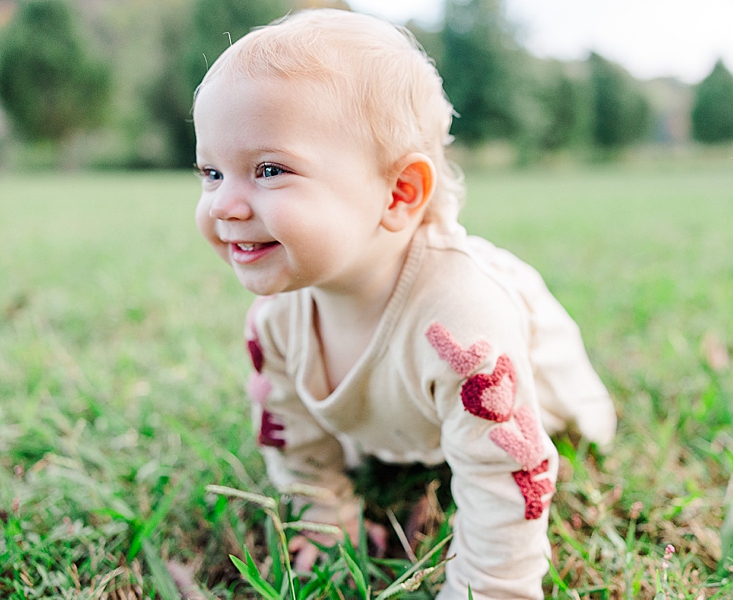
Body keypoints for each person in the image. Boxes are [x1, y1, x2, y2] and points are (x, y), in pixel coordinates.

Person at [192, 8, 616, 598]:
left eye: (267, 169)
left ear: (399, 192)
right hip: (403, 424)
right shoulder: (278, 317)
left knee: (495, 445)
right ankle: (397, 442)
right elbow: (294, 434)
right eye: (211, 172)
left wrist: (491, 585)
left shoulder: (463, 321)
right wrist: (324, 513)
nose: (222, 204)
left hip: (526, 411)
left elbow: (508, 471)